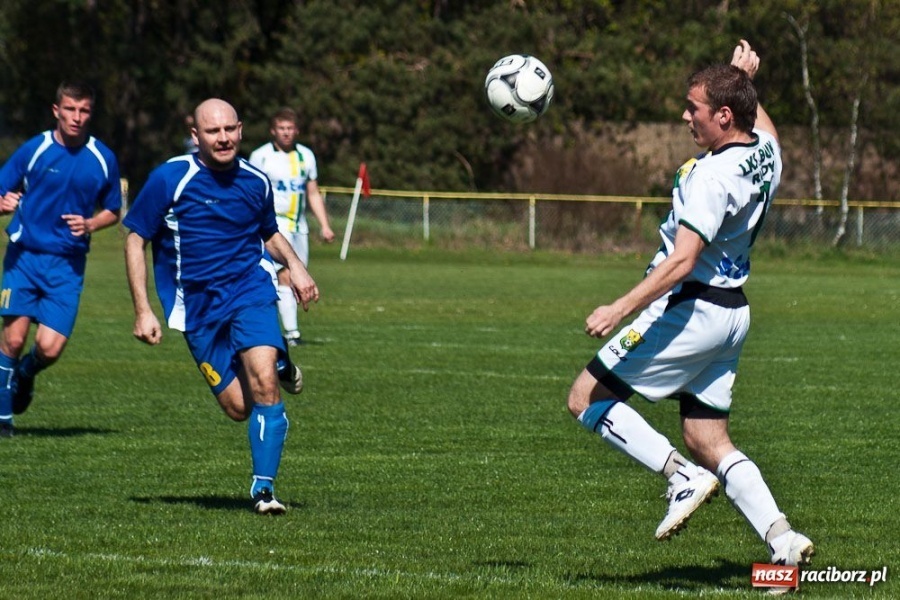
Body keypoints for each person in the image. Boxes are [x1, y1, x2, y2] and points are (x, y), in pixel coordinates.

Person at [566, 40, 814, 572]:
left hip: (692, 308)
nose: (685, 116)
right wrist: (741, 82)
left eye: (694, 108)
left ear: (723, 116)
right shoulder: (763, 153)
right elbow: (767, 129)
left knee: (586, 398)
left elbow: (680, 263)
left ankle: (680, 475)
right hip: (732, 315)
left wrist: (619, 307)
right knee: (708, 435)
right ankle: (783, 541)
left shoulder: (710, 177)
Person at [124, 98, 317, 515]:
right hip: (196, 310)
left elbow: (269, 233)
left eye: (229, 129)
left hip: (250, 289)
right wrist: (143, 309)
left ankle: (264, 491)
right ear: (196, 136)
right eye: (213, 131)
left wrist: (297, 269)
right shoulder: (170, 179)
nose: (223, 137)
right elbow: (135, 239)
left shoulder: (255, 181)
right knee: (238, 407)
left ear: (241, 130)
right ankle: (280, 364)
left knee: (263, 382)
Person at [0, 81, 122, 437]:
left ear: (90, 113)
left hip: (67, 266)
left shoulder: (102, 158)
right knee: (13, 339)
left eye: (84, 110)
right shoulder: (34, 150)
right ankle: (4, 420)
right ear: (57, 110)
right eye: (70, 109)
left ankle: (25, 374)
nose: (77, 117)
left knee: (49, 349)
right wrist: (4, 203)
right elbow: (2, 191)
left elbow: (114, 209)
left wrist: (90, 223)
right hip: (24, 258)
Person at [249, 107, 334, 346]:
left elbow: (313, 192)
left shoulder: (306, 156)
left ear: (296, 131)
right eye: (281, 129)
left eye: (290, 129)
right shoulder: (260, 156)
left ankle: (282, 329)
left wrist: (325, 225)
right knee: (285, 274)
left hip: (300, 226)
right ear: (273, 131)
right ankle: (292, 334)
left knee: (297, 276)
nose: (286, 133)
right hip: (274, 226)